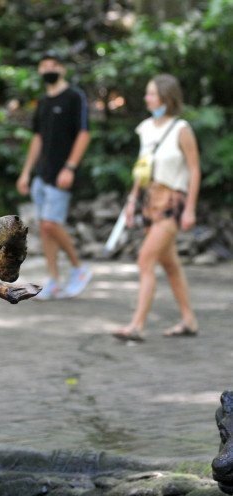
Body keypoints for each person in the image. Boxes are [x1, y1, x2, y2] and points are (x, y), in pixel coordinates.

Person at [112, 74, 201, 341]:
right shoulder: (146, 129)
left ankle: (137, 326)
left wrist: (190, 209)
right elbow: (142, 170)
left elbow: (195, 170)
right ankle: (189, 320)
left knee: (145, 260)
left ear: (166, 96)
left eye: (151, 93)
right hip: (150, 201)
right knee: (170, 264)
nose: (147, 98)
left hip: (173, 202)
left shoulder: (181, 129)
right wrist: (131, 202)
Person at [16, 53, 92, 300]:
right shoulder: (43, 102)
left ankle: (79, 269)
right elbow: (37, 138)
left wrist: (70, 167)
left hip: (62, 173)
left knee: (51, 223)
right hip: (42, 175)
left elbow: (83, 134)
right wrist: (27, 172)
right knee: (45, 228)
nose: (48, 69)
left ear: (63, 69)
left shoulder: (74, 97)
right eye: (44, 66)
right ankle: (54, 280)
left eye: (53, 65)